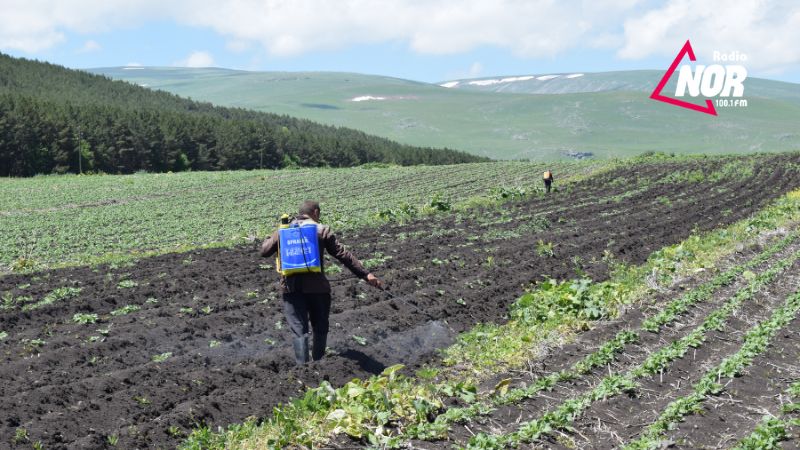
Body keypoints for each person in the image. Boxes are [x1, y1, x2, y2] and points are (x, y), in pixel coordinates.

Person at [261, 200, 383, 365]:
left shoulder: (284, 230)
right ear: (316, 213)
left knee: (299, 330)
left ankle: (303, 368)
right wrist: (366, 275)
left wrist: (276, 234)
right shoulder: (321, 230)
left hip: (292, 289)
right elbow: (343, 255)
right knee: (320, 327)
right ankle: (318, 363)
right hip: (318, 289)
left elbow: (265, 251)